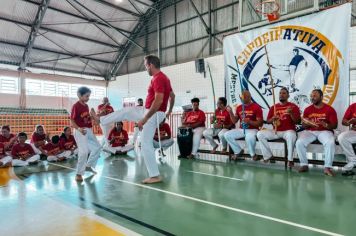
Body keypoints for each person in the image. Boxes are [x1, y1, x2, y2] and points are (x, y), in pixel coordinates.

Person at [90, 55, 175, 184]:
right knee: (125, 111)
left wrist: (145, 119)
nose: (146, 68)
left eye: (146, 65)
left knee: (146, 143)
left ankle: (155, 175)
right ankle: (100, 120)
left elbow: (158, 100)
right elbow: (172, 96)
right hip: (150, 111)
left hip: (152, 113)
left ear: (151, 65)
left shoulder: (158, 78)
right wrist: (168, 111)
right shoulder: (164, 78)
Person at [296, 89, 337, 176]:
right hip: (310, 131)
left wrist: (326, 125)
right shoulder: (307, 109)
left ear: (321, 97)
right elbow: (303, 126)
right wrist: (307, 123)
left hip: (324, 131)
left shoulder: (329, 109)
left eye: (315, 96)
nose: (312, 98)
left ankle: (327, 167)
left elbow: (335, 125)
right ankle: (304, 165)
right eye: (311, 96)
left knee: (330, 142)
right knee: (299, 142)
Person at [257, 87, 301, 166]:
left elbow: (297, 121)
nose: (281, 95)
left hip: (288, 131)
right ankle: (268, 155)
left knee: (291, 136)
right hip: (275, 131)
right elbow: (268, 121)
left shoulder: (293, 106)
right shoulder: (273, 107)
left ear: (288, 95)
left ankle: (290, 160)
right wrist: (273, 119)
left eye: (284, 93)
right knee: (260, 134)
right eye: (280, 93)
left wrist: (291, 113)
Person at [71, 86, 102, 182]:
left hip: (88, 130)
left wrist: (93, 115)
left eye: (89, 96)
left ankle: (88, 166)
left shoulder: (86, 106)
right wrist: (79, 129)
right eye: (86, 96)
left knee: (97, 147)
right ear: (79, 95)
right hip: (80, 131)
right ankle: (78, 174)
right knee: (83, 152)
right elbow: (72, 121)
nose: (88, 98)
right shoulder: (76, 106)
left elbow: (87, 119)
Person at [224, 90, 263, 161]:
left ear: (249, 97)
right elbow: (234, 121)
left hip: (253, 129)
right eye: (241, 96)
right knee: (227, 134)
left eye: (244, 97)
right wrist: (230, 112)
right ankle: (238, 151)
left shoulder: (256, 107)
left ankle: (253, 154)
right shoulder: (239, 107)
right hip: (241, 129)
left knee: (249, 137)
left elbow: (260, 123)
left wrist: (249, 121)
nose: (242, 98)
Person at [338, 102, 356, 176]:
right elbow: (343, 121)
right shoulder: (353, 106)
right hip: (354, 131)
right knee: (342, 137)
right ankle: (353, 161)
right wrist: (349, 122)